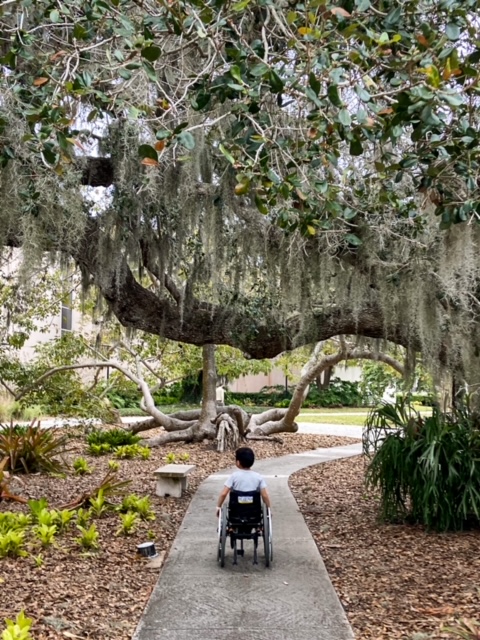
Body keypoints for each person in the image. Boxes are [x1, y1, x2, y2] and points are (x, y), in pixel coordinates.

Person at [215, 447, 271, 517]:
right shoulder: (258, 477)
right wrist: (268, 509)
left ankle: (232, 528)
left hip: (236, 514)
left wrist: (218, 507)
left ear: (238, 462)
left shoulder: (234, 476)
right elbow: (265, 495)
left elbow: (223, 494)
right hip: (254, 514)